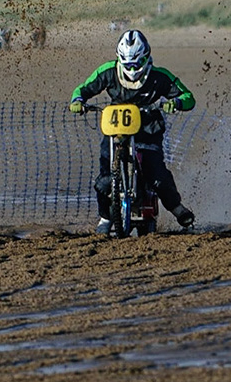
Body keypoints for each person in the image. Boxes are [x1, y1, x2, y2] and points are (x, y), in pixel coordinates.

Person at [69, 29, 198, 233]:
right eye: (127, 64)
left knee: (158, 177)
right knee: (104, 180)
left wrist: (176, 103)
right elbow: (82, 89)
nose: (131, 69)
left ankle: (177, 209)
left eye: (136, 64)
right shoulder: (107, 71)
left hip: (148, 132)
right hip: (115, 133)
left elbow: (188, 97)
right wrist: (78, 101)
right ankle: (105, 218)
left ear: (146, 58)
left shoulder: (160, 76)